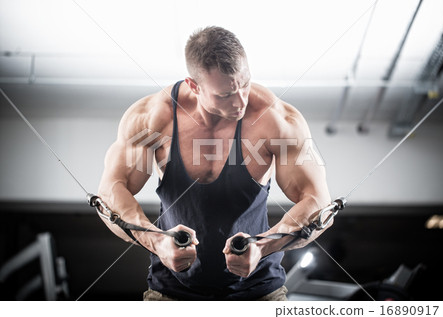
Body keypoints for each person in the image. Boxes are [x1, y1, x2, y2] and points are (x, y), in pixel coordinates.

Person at [97, 26, 331, 301]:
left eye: (245, 84)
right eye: (225, 95)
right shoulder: (151, 119)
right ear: (194, 86)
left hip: (259, 292)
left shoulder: (277, 121)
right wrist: (157, 241)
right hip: (171, 293)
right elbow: (110, 192)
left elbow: (318, 202)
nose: (240, 101)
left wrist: (264, 246)